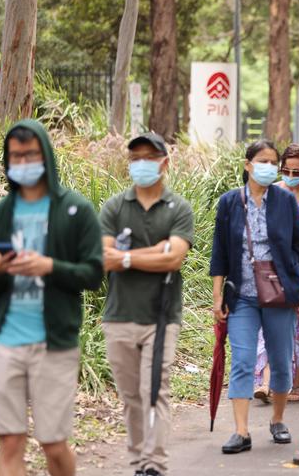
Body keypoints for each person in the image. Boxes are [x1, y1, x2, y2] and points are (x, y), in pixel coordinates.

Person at [0, 120, 103, 476]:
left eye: (30, 153)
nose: (24, 162)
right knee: (10, 443)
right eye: (16, 156)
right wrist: (1, 270)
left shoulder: (75, 210)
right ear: (7, 160)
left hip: (54, 343)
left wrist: (48, 266)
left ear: (45, 154)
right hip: (4, 343)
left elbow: (93, 273)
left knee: (53, 443)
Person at [100, 132, 194, 476]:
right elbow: (103, 258)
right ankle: (138, 460)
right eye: (135, 157)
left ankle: (154, 464)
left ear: (164, 163)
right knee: (131, 397)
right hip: (119, 315)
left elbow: (174, 258)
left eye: (149, 157)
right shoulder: (114, 207)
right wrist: (155, 252)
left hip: (162, 315)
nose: (142, 163)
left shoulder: (178, 208)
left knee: (155, 389)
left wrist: (124, 257)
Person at [210, 140, 299, 454]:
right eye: (262, 161)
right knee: (242, 361)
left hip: (280, 294)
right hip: (242, 296)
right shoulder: (229, 202)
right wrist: (217, 297)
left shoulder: (284, 201)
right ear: (247, 165)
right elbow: (219, 253)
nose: (268, 167)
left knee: (281, 362)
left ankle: (277, 420)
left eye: (273, 162)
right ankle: (241, 431)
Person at [253, 144, 299, 402]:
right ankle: (266, 382)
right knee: (271, 325)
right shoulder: (271, 193)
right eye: (286, 170)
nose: (291, 175)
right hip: (274, 268)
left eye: (296, 171)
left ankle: (297, 385)